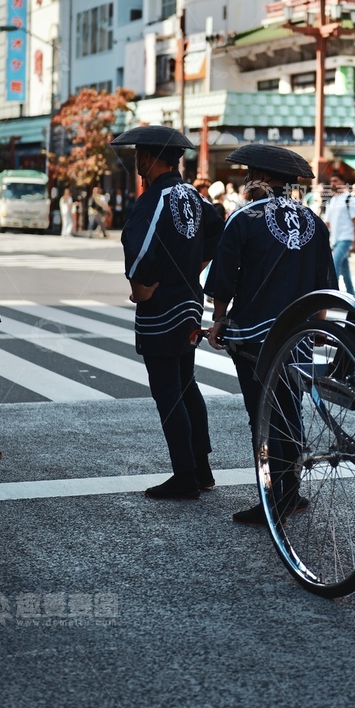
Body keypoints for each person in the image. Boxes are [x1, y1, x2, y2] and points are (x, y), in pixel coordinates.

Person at [205, 143, 337, 526]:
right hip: (298, 330)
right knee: (289, 407)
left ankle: (274, 496)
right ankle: (290, 492)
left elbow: (224, 278)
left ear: (257, 177)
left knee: (262, 414)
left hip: (254, 332)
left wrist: (217, 320)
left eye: (247, 173)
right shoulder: (314, 221)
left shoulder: (244, 217)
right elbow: (324, 283)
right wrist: (317, 325)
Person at [112, 125, 224, 501]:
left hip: (162, 307)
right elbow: (217, 228)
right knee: (187, 384)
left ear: (147, 158)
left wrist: (139, 286)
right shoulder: (192, 194)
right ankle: (201, 467)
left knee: (168, 392)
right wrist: (198, 262)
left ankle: (184, 476)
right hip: (190, 301)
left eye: (138, 157)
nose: (137, 164)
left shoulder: (154, 198)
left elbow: (138, 246)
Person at [324, 174, 355, 296]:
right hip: (335, 239)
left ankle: (333, 295)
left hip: (346, 238)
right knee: (344, 270)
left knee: (334, 266)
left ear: (343, 182)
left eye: (335, 180)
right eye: (331, 181)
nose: (333, 183)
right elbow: (327, 223)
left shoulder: (349, 199)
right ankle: (352, 294)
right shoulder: (332, 200)